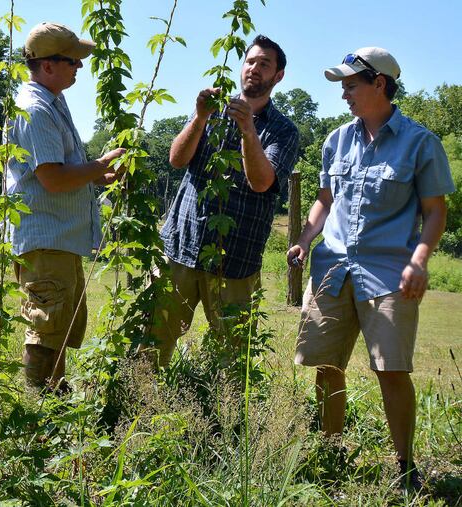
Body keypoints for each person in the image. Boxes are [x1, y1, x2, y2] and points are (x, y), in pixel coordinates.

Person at [287, 47, 455, 490]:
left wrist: (419, 261)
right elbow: (325, 199)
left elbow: (435, 211)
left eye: (350, 84)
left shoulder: (421, 143)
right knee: (326, 365)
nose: (344, 94)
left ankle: (405, 469)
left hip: (389, 274)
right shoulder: (335, 140)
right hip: (332, 268)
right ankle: (329, 457)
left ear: (379, 83)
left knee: (391, 370)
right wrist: (304, 240)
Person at [146, 35, 299, 367]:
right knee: (153, 342)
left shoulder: (284, 131)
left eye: (265, 64)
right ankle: (138, 407)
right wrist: (199, 118)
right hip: (181, 248)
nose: (254, 69)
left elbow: (262, 182)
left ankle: (224, 419)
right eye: (250, 61)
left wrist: (248, 130)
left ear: (278, 76)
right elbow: (176, 159)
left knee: (231, 360)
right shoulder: (213, 111)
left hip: (236, 261)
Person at [6, 22, 124, 389]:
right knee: (45, 327)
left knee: (59, 328)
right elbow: (52, 179)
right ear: (48, 65)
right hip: (47, 239)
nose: (79, 68)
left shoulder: (53, 102)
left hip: (61, 239)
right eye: (73, 61)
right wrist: (101, 165)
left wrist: (92, 176)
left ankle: (52, 403)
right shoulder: (36, 109)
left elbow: (61, 170)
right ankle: (37, 412)